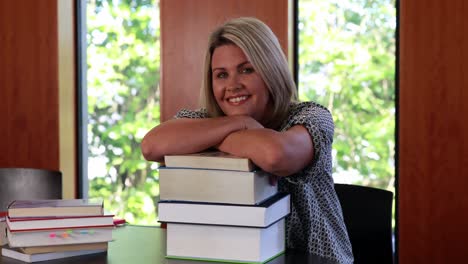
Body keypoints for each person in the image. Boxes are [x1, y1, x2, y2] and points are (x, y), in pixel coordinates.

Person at [141, 17, 353, 263]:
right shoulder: (204, 118)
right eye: (221, 75)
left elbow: (275, 156)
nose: (232, 85)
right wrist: (238, 124)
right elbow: (152, 145)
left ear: (270, 70)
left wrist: (214, 137)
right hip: (235, 257)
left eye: (246, 70)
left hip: (314, 258)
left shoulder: (312, 116)